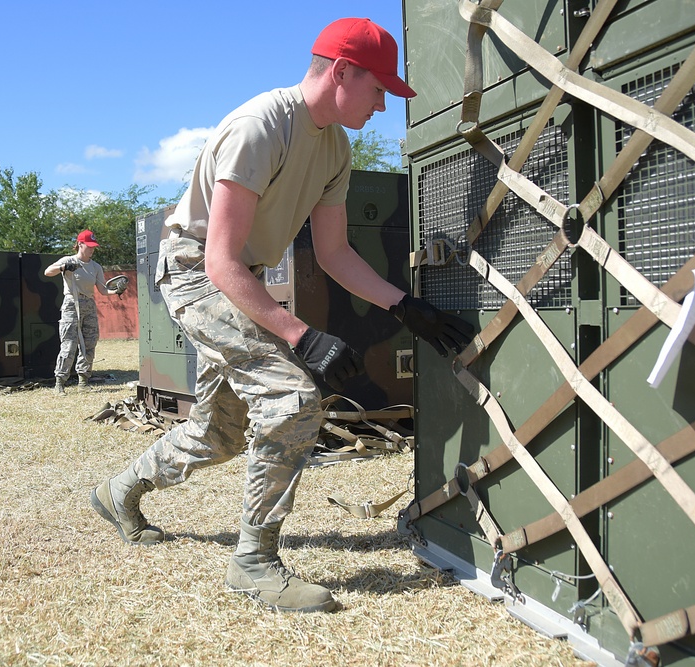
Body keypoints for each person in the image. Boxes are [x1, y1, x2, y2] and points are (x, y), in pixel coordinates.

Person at [90, 17, 473, 612]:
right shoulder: (260, 126)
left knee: (215, 433)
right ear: (342, 71)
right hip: (196, 272)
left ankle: (118, 492)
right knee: (293, 398)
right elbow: (218, 261)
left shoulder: (335, 148)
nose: (382, 105)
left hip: (238, 279)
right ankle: (254, 562)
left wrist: (405, 306)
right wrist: (299, 334)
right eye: (379, 90)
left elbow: (335, 253)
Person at [44, 229, 126, 394]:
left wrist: (117, 291)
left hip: (89, 304)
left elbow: (103, 290)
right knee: (69, 344)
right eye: (88, 246)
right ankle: (60, 382)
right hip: (71, 303)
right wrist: (63, 267)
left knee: (89, 343)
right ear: (80, 244)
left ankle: (83, 381)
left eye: (93, 246)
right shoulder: (69, 260)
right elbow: (47, 272)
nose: (92, 249)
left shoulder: (95, 267)